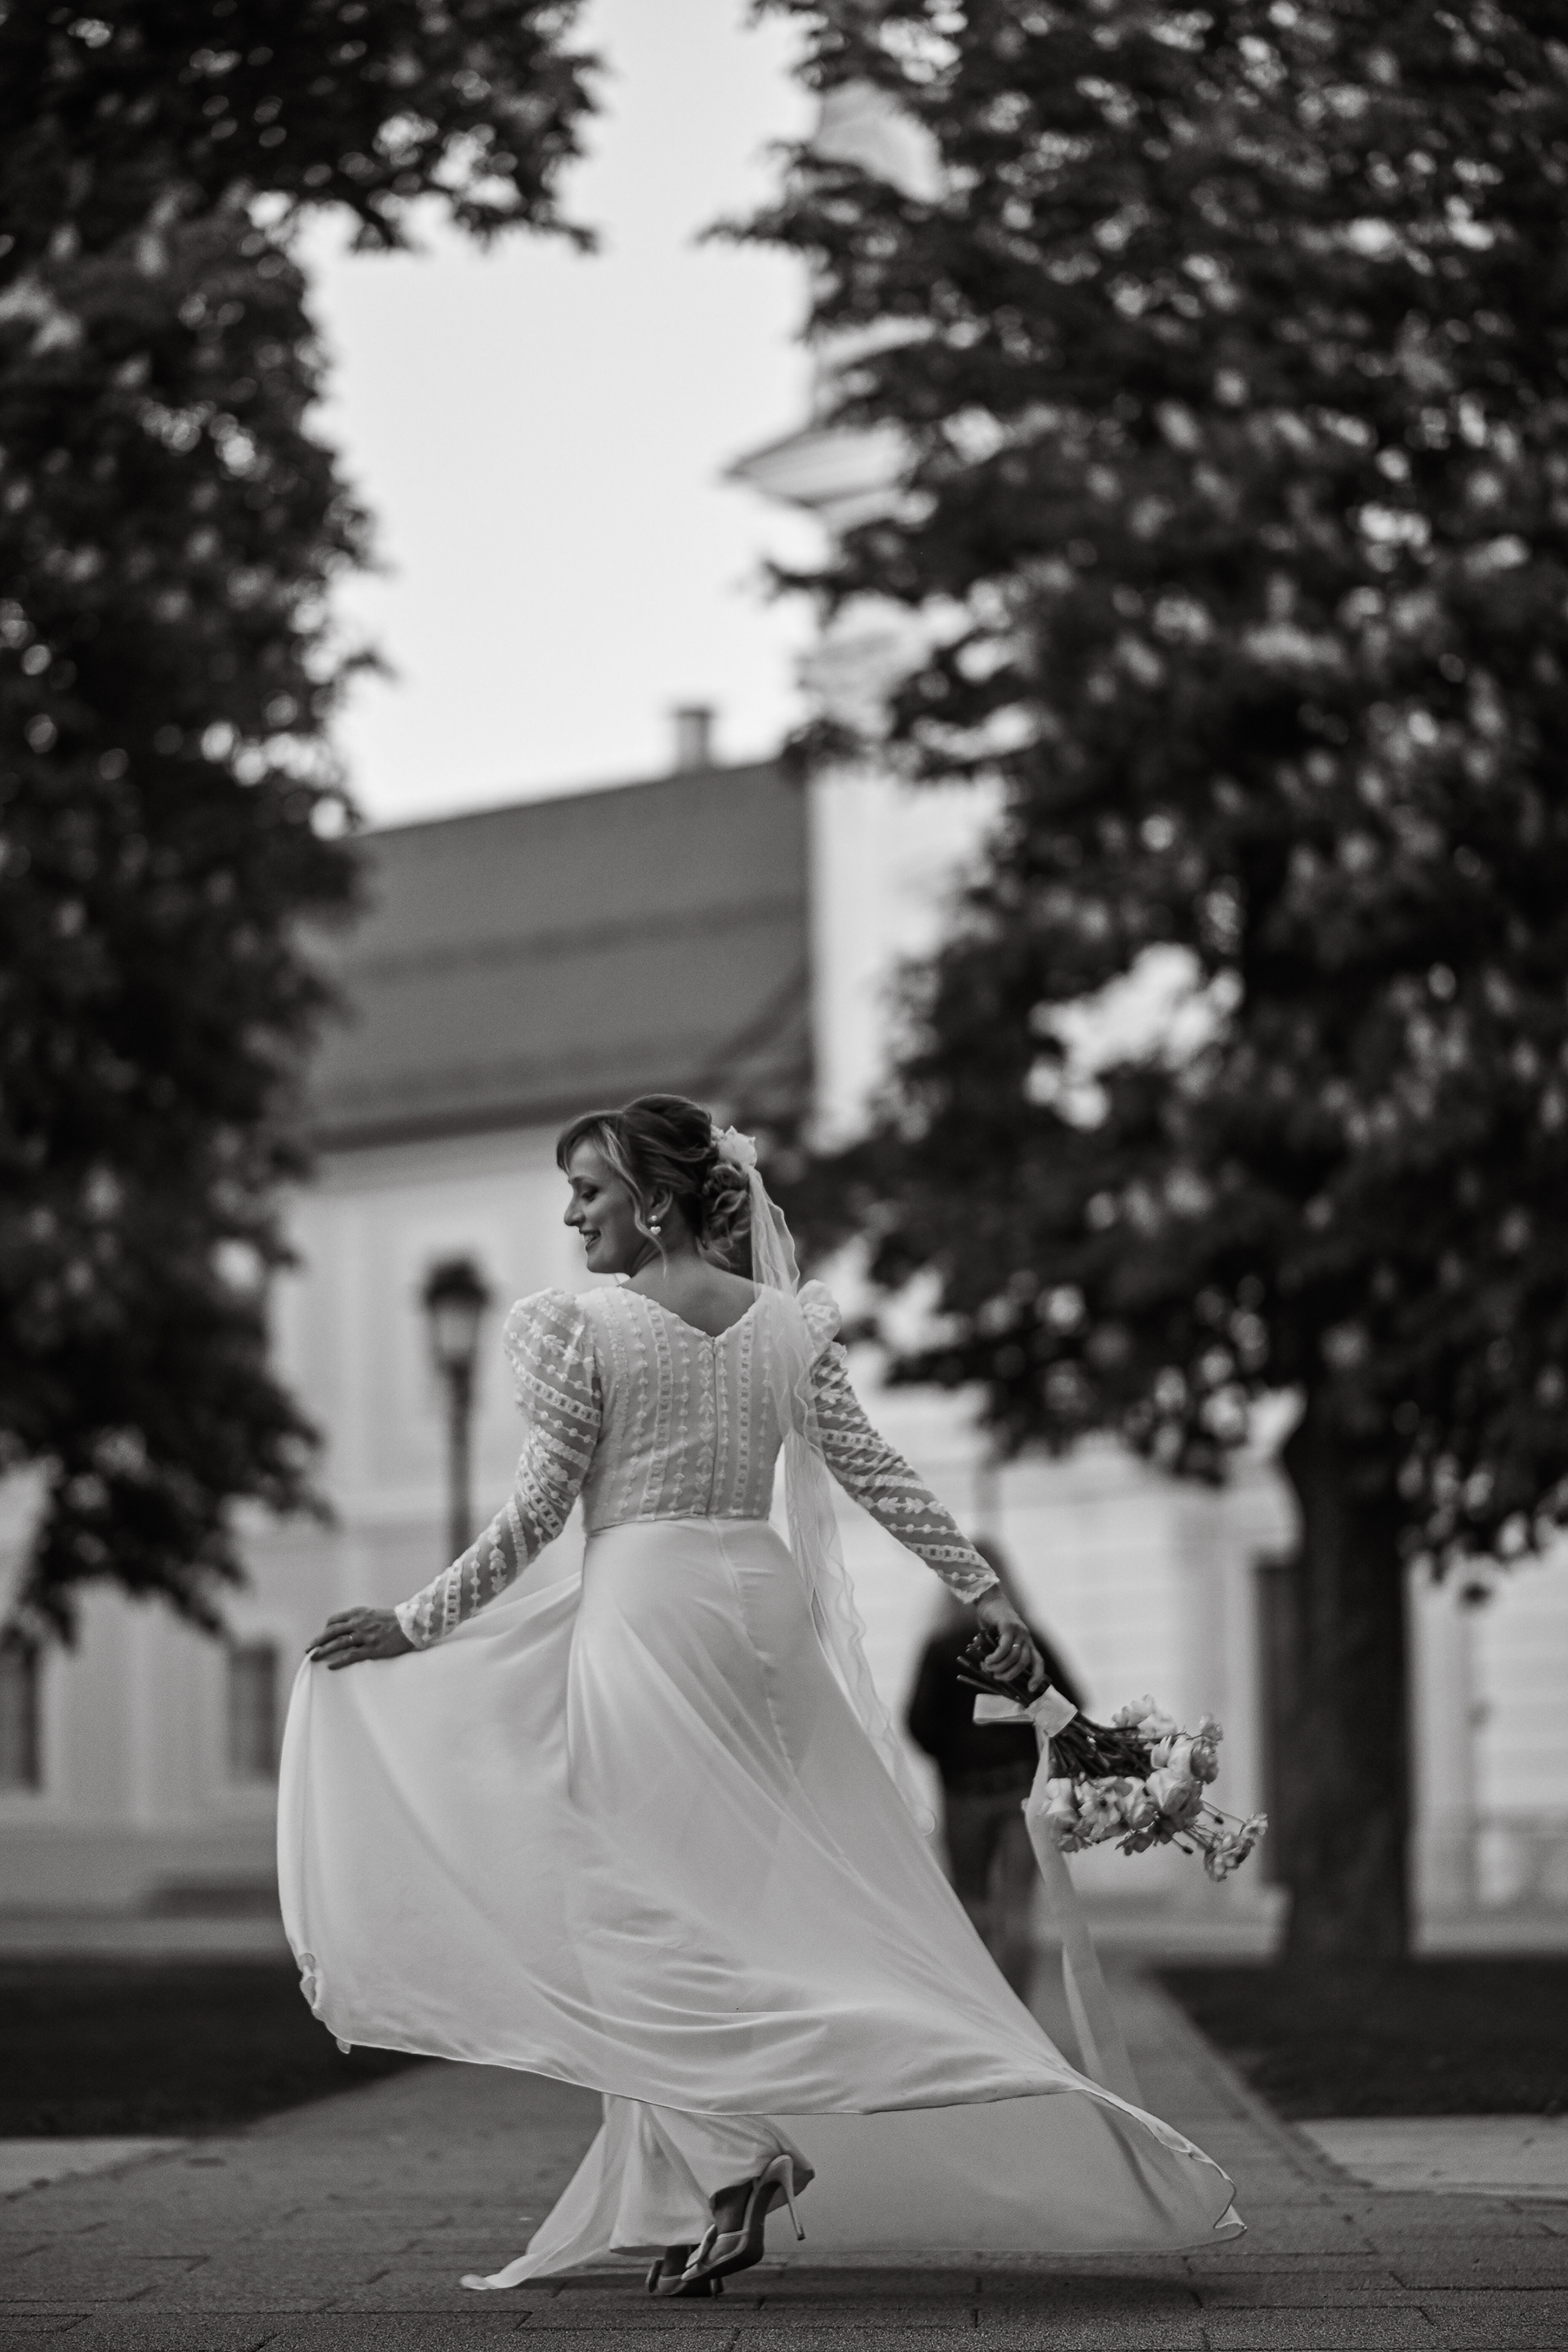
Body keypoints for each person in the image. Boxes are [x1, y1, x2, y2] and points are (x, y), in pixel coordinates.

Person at [279, 1094, 1239, 2295]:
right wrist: (986, 1591)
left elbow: (533, 1515)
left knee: (621, 1906)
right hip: (765, 1617)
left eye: (588, 1191)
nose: (572, 1215)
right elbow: (877, 1470)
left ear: (655, 1200)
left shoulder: (586, 1329)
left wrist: (415, 1622)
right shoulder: (785, 1325)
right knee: (722, 1905)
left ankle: (735, 2156)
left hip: (650, 1616)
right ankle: (696, 2193)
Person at [906, 1539, 1083, 1999]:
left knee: (973, 1907)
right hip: (1022, 1789)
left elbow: (919, 1724)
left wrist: (958, 1751)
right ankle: (1021, 2017)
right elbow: (1071, 1707)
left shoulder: (940, 1649)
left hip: (965, 1793)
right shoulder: (1027, 1643)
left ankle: (987, 2013)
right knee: (1016, 1911)